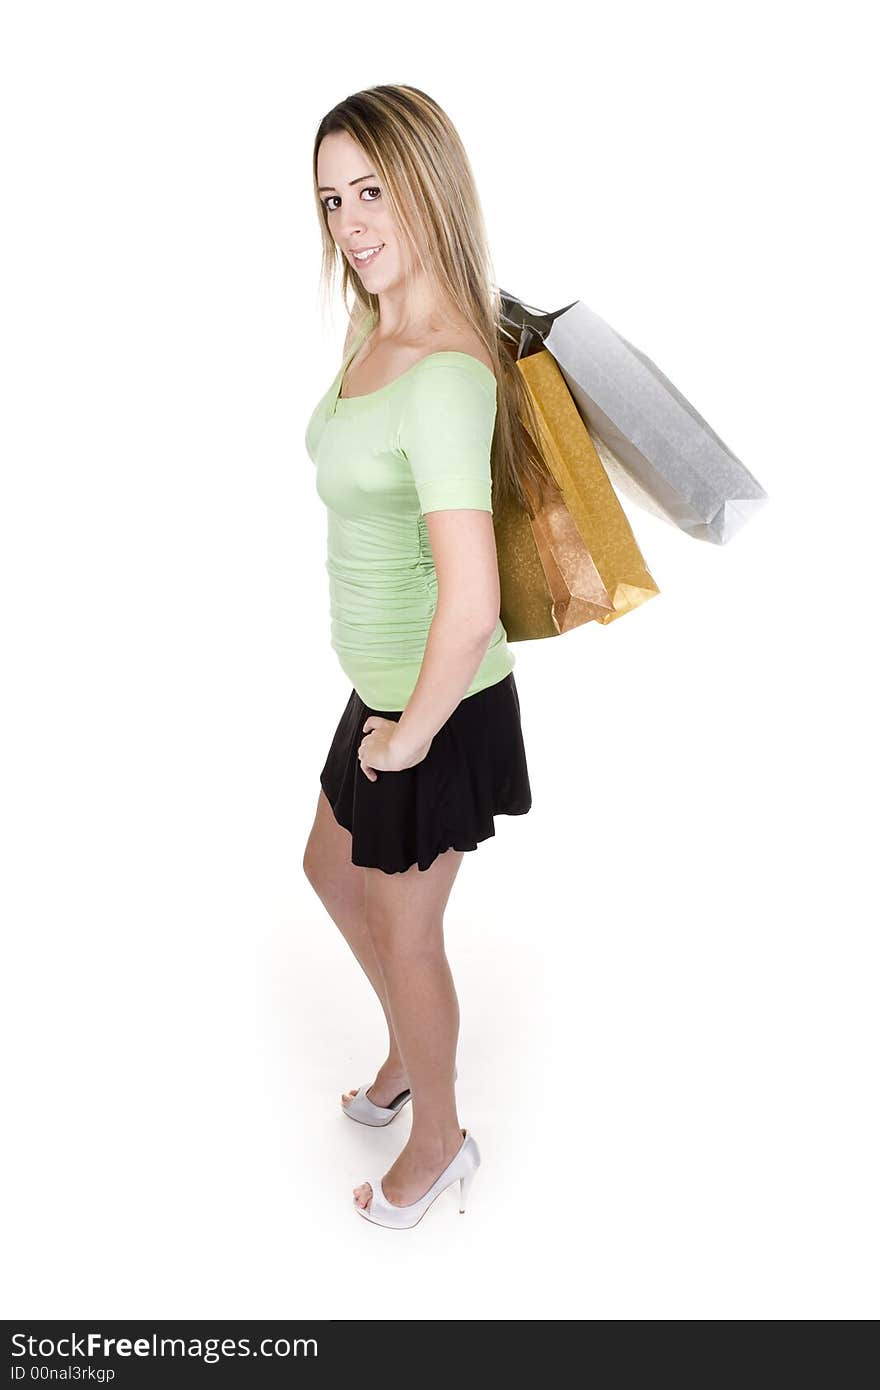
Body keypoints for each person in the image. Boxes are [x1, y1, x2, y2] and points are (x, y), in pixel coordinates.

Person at [302, 85, 556, 1231]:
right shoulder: (374, 325)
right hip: (382, 685)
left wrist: (410, 733)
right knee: (326, 867)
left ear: (427, 188)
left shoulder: (445, 374)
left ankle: (441, 1141)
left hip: (439, 703)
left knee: (407, 928)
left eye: (373, 192)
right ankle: (412, 1052)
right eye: (332, 198)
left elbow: (472, 601)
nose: (351, 223)